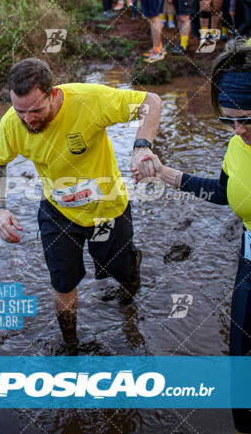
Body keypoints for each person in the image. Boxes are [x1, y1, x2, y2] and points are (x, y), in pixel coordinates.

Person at [0, 58, 162, 349]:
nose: (28, 119)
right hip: (58, 211)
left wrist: (141, 146)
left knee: (124, 273)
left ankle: (132, 278)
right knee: (62, 282)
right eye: (20, 112)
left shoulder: (89, 100)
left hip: (107, 210)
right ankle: (70, 345)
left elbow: (151, 102)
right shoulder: (13, 123)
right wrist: (0, 208)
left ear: (53, 95)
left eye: (36, 110)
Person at [131, 39, 251, 434]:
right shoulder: (236, 147)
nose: (240, 131)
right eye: (231, 120)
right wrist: (164, 173)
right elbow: (221, 192)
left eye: (249, 120)